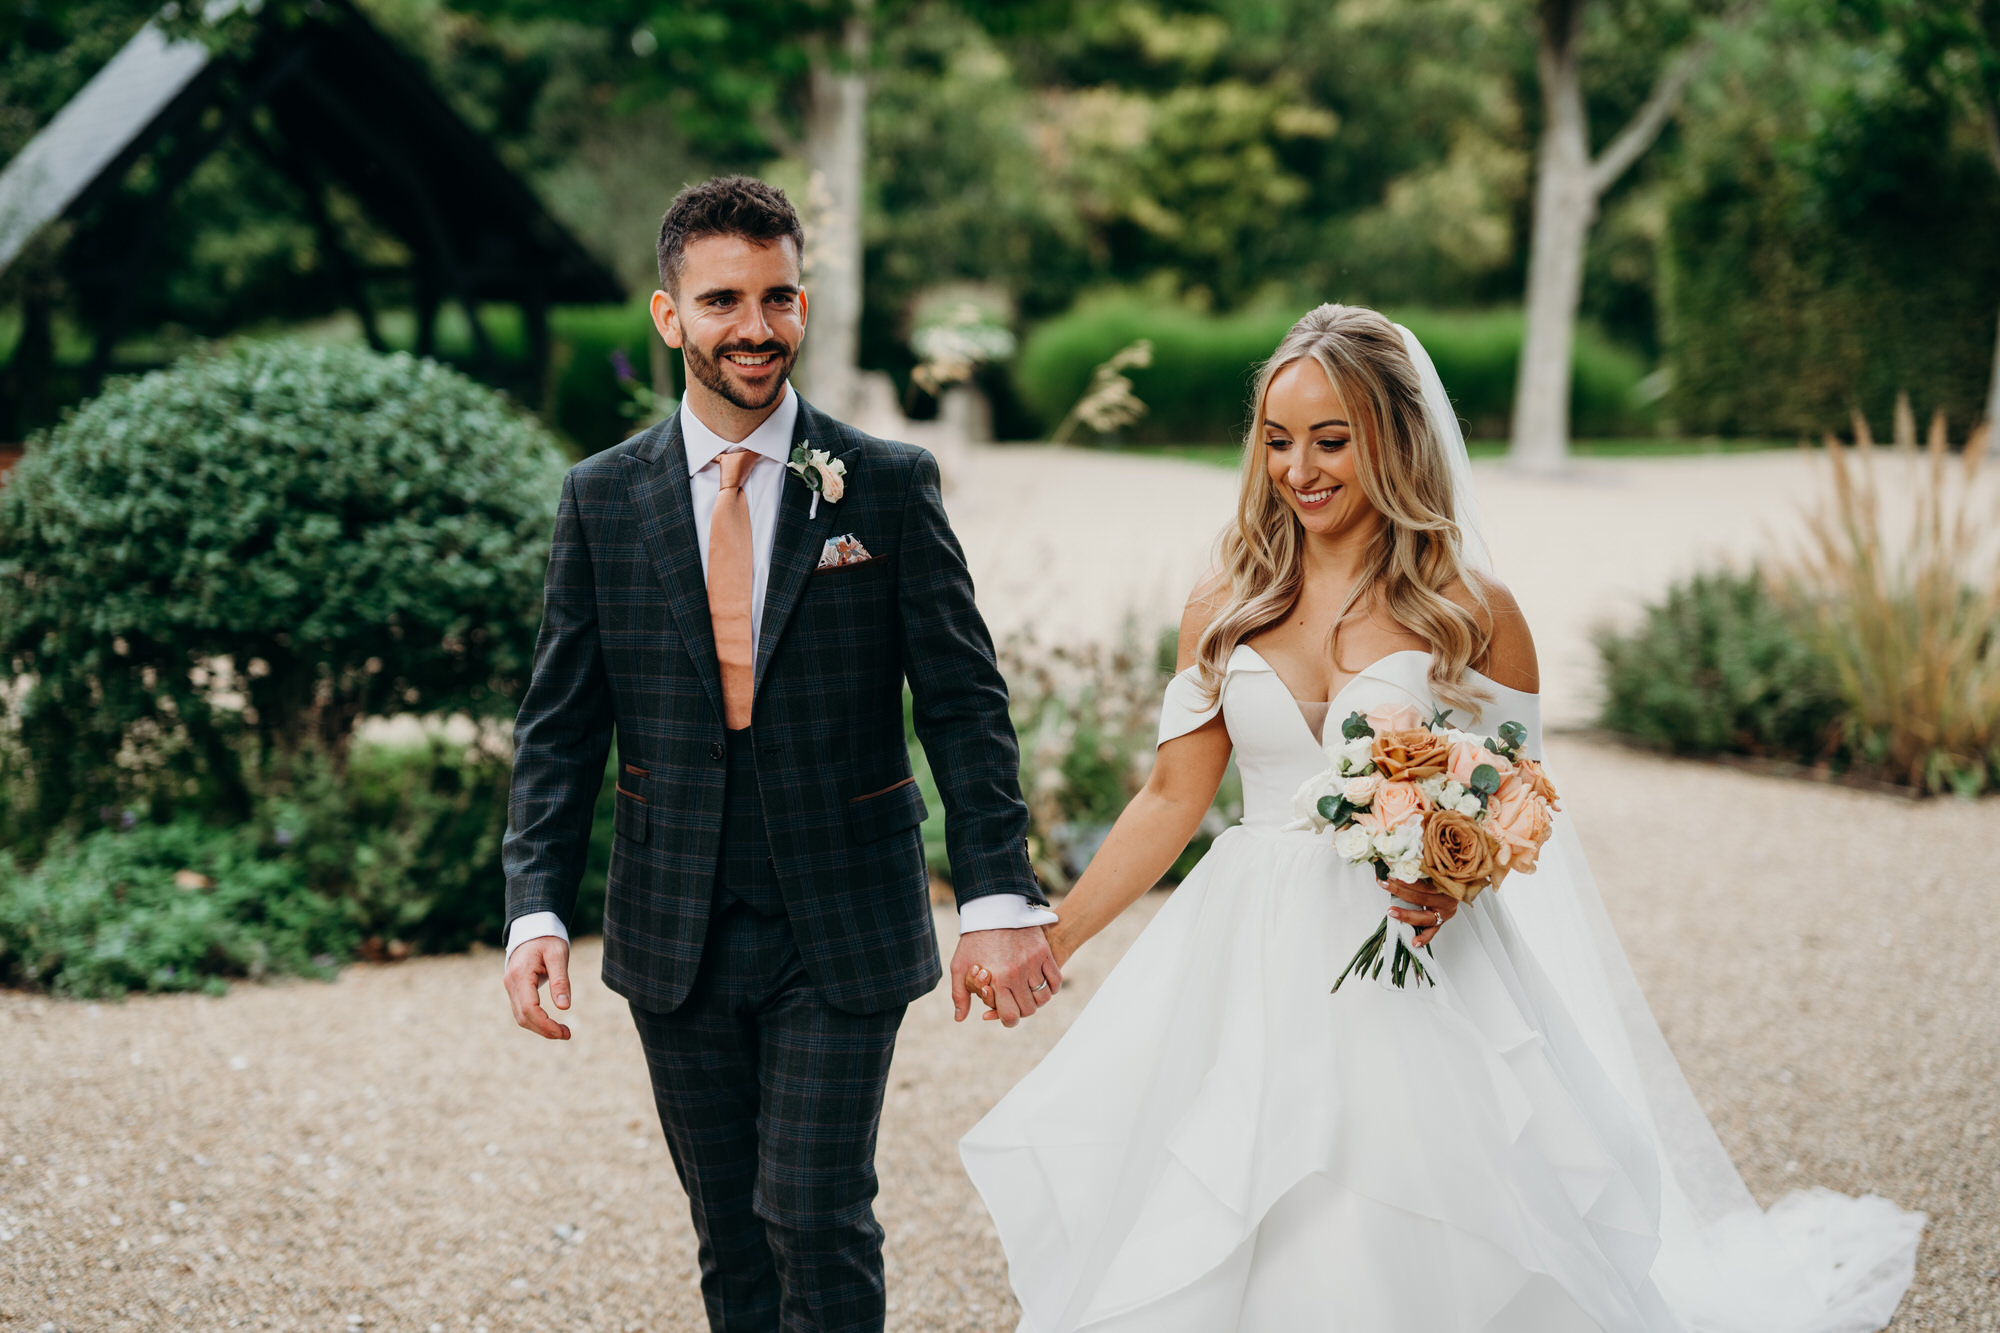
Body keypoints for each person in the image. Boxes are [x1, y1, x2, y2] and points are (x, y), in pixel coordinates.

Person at [959, 304, 1926, 1332]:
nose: (1298, 470)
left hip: (1413, 954)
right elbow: (1169, 797)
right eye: (1277, 441)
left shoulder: (1473, 610)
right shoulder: (1225, 600)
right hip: (1246, 948)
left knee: (1408, 1209)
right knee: (1229, 1190)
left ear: (1394, 436)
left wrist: (1450, 875)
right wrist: (1055, 937)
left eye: (1331, 440)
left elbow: (1517, 795)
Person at [500, 175, 1061, 1333]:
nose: (754, 328)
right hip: (674, 919)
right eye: (722, 301)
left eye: (778, 297)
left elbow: (962, 700)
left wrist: (996, 893)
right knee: (730, 1233)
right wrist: (535, 907)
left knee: (811, 1210)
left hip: (843, 914)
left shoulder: (886, 484)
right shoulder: (602, 498)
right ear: (669, 317)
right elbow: (560, 722)